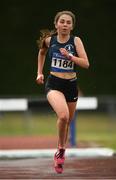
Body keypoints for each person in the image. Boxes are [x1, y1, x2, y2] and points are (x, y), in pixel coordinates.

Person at [36, 10, 89, 174]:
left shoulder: (76, 41)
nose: (65, 25)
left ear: (72, 26)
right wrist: (39, 72)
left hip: (71, 85)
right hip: (54, 83)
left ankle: (61, 149)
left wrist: (71, 57)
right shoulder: (49, 40)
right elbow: (42, 52)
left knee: (67, 122)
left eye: (68, 22)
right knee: (64, 116)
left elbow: (86, 64)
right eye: (62, 22)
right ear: (56, 24)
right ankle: (61, 150)